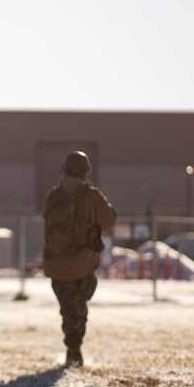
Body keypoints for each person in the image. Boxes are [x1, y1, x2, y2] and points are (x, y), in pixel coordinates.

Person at [41, 151, 116, 368]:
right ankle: (75, 348)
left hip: (56, 264)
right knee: (79, 307)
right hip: (83, 264)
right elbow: (109, 221)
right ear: (85, 172)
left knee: (68, 309)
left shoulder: (53, 195)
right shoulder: (91, 195)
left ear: (63, 170)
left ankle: (72, 347)